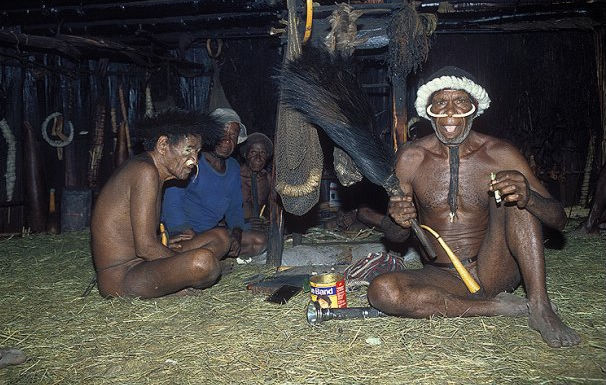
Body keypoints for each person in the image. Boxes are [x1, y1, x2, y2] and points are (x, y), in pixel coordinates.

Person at [367, 67, 581, 348]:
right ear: (429, 111)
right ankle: (497, 308)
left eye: (460, 102)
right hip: (443, 277)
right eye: (441, 103)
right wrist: (397, 220)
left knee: (515, 195)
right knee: (382, 292)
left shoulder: (500, 153)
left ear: (474, 109)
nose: (450, 112)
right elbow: (395, 236)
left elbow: (559, 220)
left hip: (495, 268)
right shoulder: (410, 158)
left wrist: (528, 196)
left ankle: (540, 306)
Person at [91, 109, 231, 299]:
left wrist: (161, 242)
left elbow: (142, 240)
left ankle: (179, 278)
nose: (194, 161)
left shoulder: (152, 172)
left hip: (142, 263)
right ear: (163, 145)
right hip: (121, 278)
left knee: (221, 236)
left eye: (197, 152)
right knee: (203, 263)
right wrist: (182, 264)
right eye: (188, 150)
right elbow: (145, 249)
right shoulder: (145, 172)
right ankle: (179, 283)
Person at [161, 108, 267, 258]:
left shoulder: (233, 167)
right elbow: (172, 203)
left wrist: (236, 234)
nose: (227, 140)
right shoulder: (191, 160)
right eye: (222, 132)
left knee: (259, 241)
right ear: (209, 134)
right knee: (220, 238)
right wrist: (182, 230)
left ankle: (208, 257)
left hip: (212, 235)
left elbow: (235, 209)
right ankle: (195, 259)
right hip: (184, 235)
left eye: (233, 135)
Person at [239, 132, 273, 230]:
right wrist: (244, 222)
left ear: (267, 156)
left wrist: (267, 221)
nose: (258, 158)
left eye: (262, 153)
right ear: (245, 154)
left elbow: (272, 209)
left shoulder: (267, 179)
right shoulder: (234, 176)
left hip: (260, 230)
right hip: (236, 229)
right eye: (253, 152)